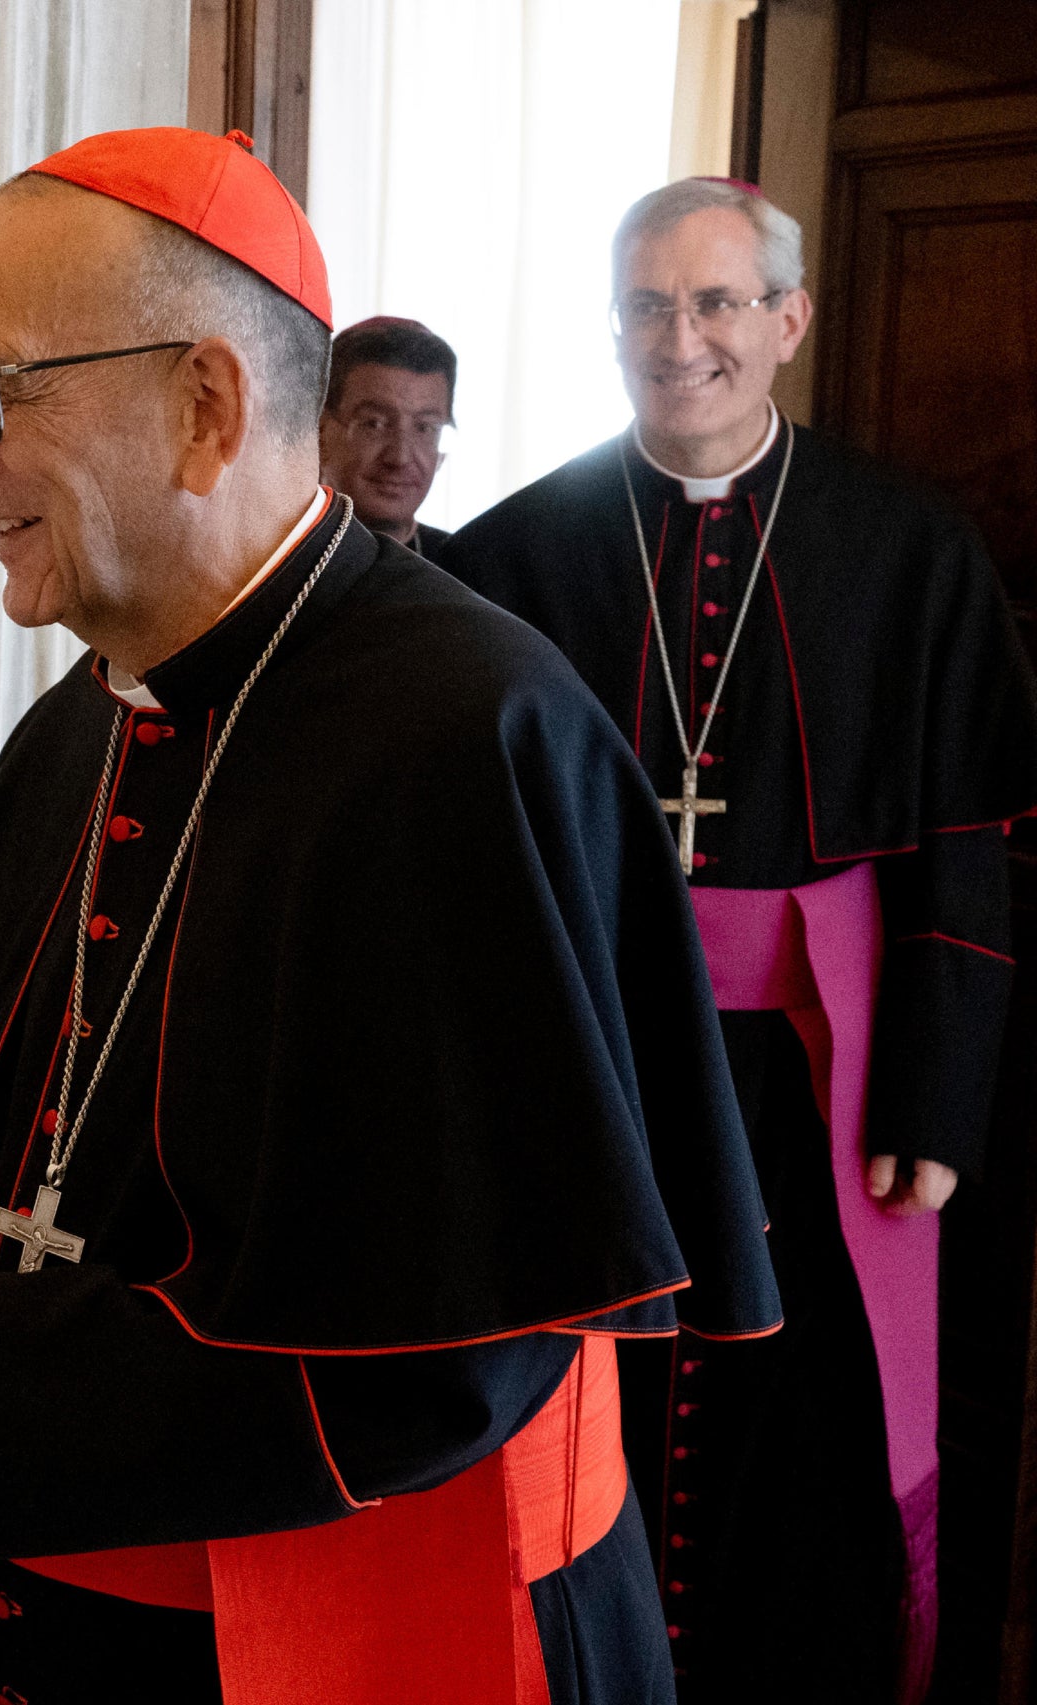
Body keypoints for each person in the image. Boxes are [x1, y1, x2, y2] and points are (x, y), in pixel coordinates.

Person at [0, 129, 781, 1705]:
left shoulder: (467, 735)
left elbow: (436, 1358)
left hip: (383, 1637)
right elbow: (84, 1217)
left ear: (205, 404)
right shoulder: (84, 721)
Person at [436, 176, 1037, 1702]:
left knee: (812, 1420)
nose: (678, 338)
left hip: (826, 1079)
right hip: (596, 1068)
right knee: (596, 1402)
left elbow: (967, 837)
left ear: (789, 320)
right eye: (646, 305)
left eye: (715, 302)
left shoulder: (908, 552)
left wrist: (937, 1098)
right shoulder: (512, 558)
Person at [317, 315, 457, 551]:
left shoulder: (467, 563)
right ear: (319, 433)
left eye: (424, 427)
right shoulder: (271, 556)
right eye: (374, 424)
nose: (399, 458)